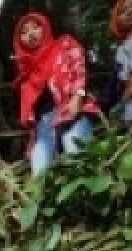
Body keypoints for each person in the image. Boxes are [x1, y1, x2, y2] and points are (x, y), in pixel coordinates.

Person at [13, 12, 100, 176]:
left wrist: (77, 97)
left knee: (74, 150)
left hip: (72, 111)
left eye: (35, 27)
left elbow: (79, 69)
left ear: (45, 27)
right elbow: (35, 116)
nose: (30, 34)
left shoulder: (64, 44)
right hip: (45, 127)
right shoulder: (26, 75)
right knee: (39, 169)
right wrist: (32, 140)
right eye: (24, 32)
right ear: (20, 41)